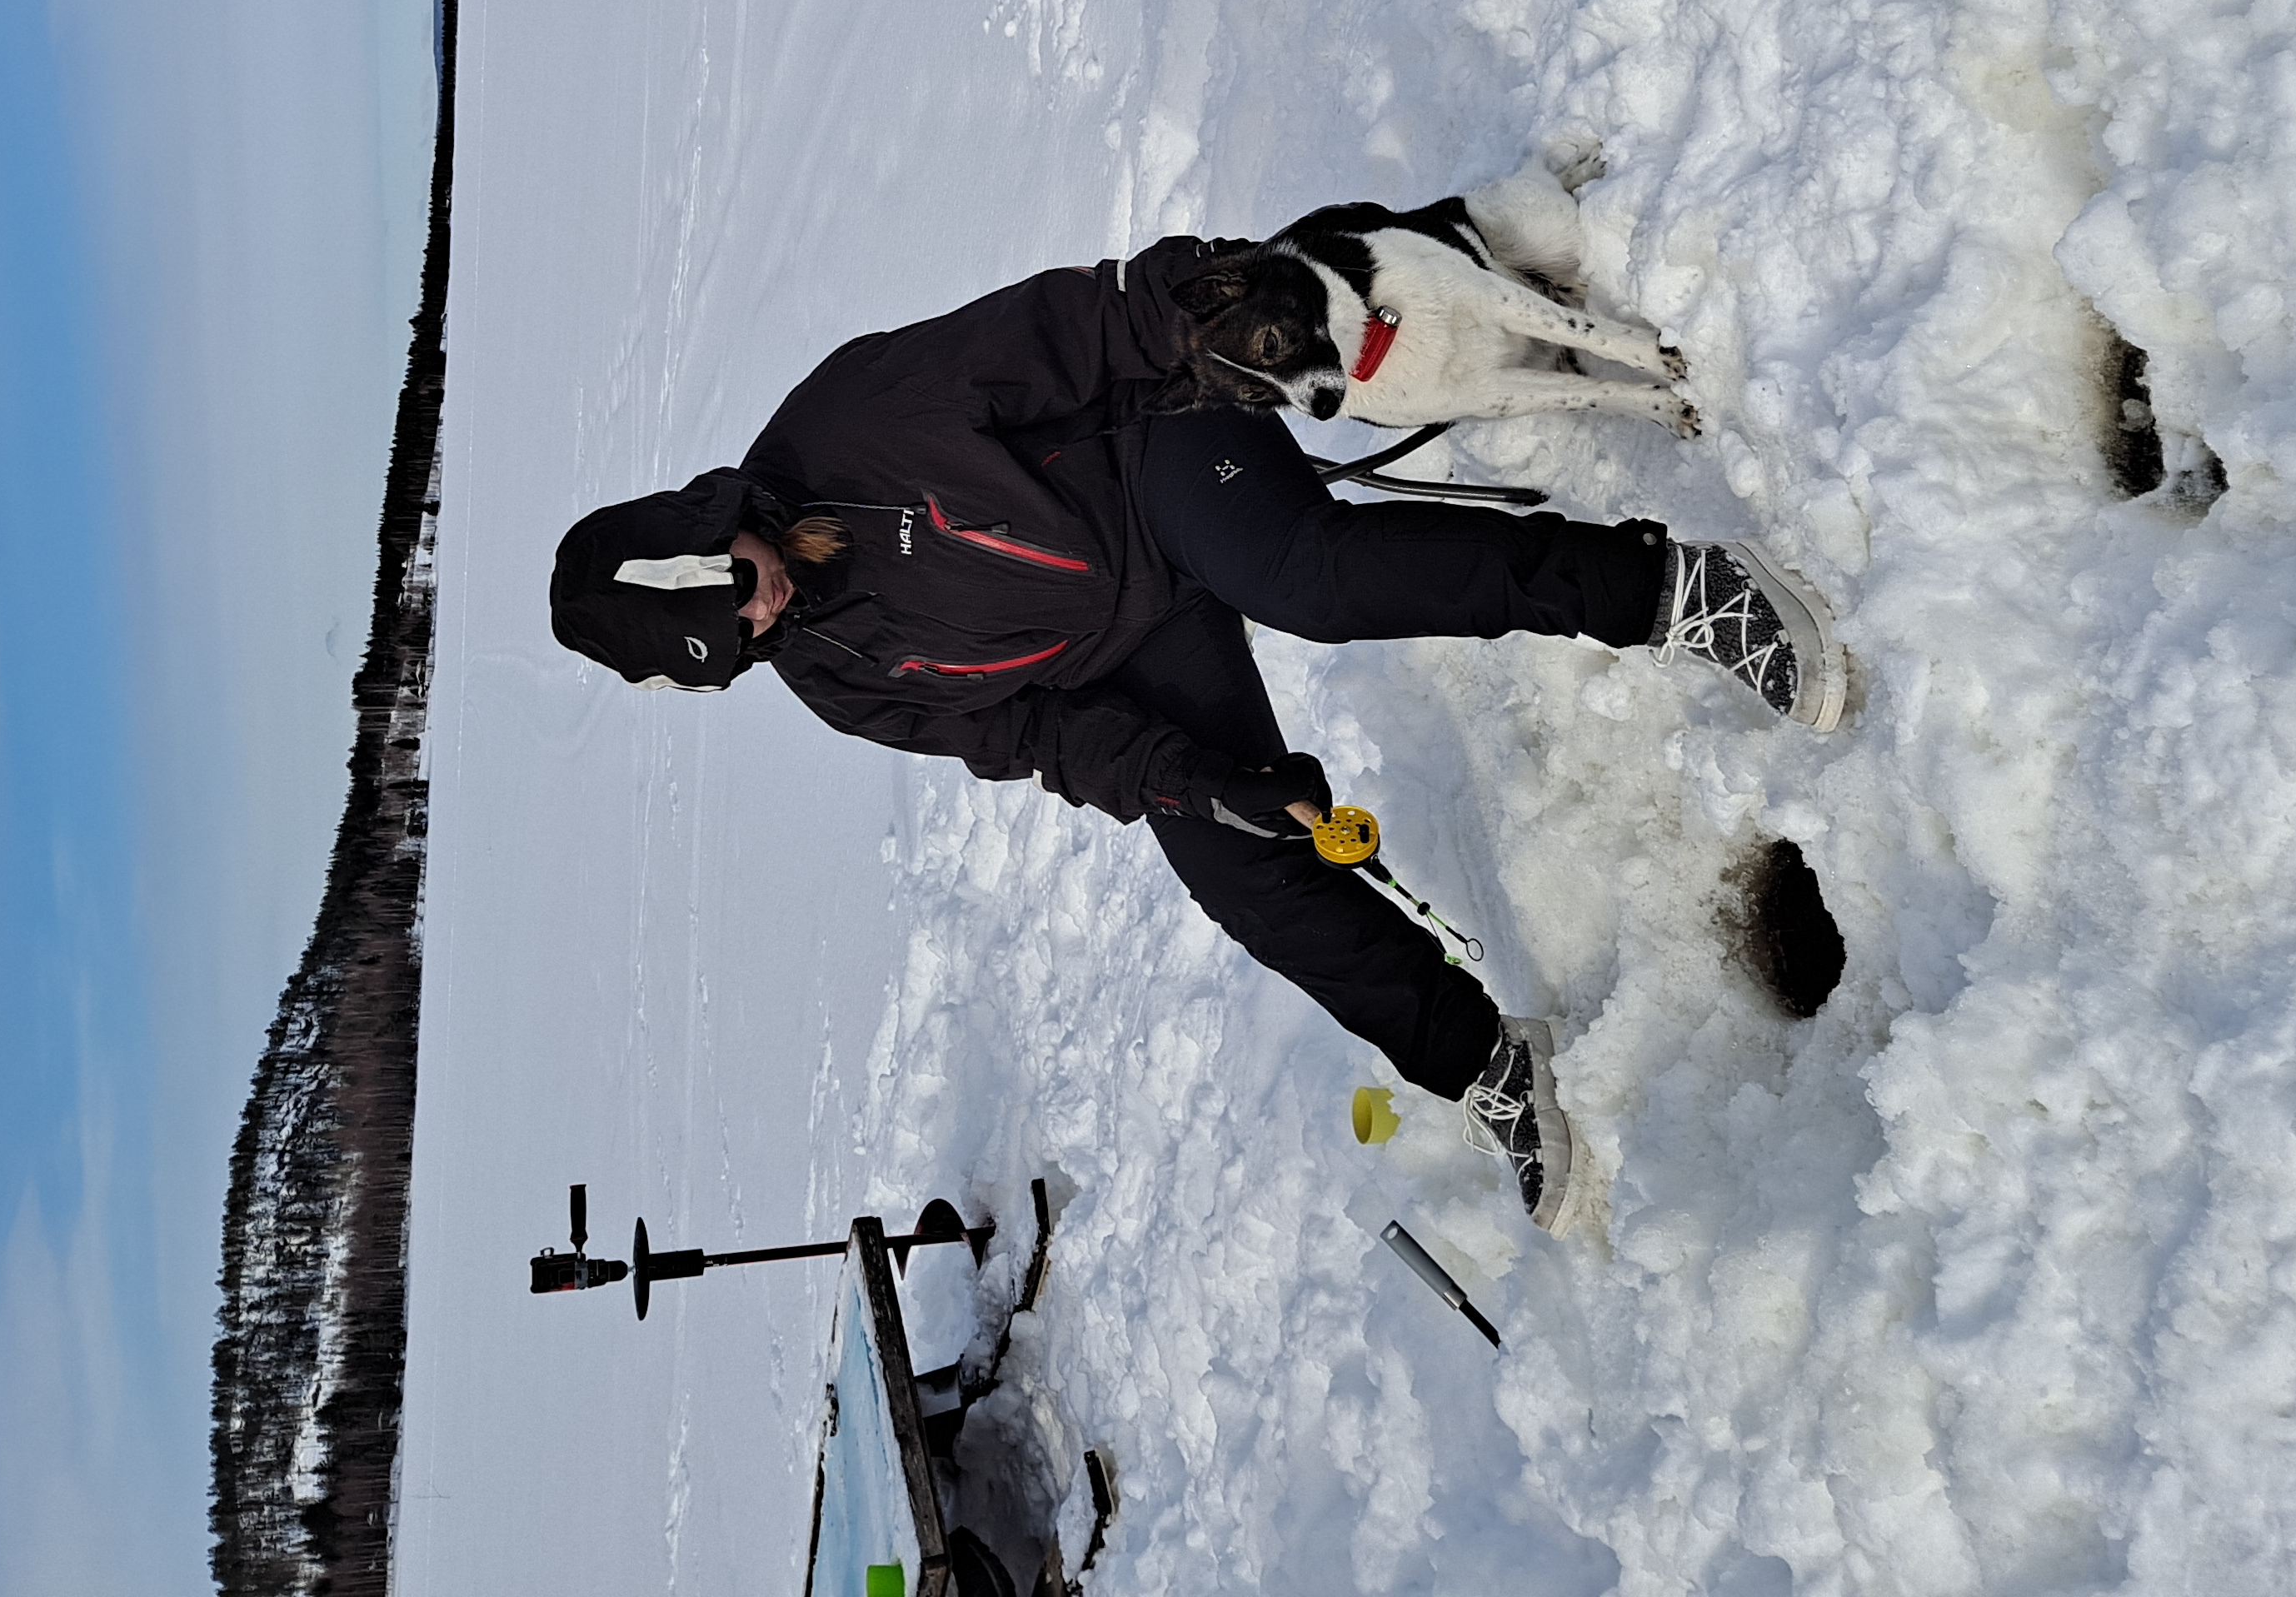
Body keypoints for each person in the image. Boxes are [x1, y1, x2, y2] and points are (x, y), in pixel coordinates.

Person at [550, 236, 1841, 1237]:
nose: (765, 606)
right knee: (1240, 871)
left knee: (1307, 578)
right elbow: (1040, 739)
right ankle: (1482, 1062)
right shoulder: (836, 678)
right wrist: (1201, 783)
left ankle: (1676, 589)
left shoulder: (847, 427)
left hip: (1157, 445)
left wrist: (1204, 309)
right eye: (745, 633)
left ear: (699, 521)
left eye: (739, 580)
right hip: (1134, 637)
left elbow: (1062, 328)